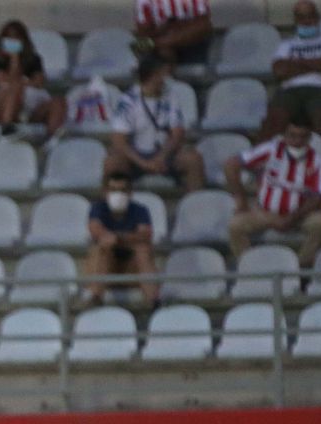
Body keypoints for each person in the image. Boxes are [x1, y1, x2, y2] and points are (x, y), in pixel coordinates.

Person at [224, 119, 321, 267]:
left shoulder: (316, 160)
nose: (297, 141)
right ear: (284, 136)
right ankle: (250, 267)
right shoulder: (270, 150)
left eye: (302, 136)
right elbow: (231, 164)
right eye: (293, 136)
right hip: (265, 212)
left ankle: (300, 268)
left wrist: (291, 218)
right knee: (235, 226)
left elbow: (316, 197)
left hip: (300, 215)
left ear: (309, 138)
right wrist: (240, 198)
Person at [107, 55, 203, 192]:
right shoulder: (128, 100)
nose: (167, 79)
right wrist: (144, 163)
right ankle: (108, 203)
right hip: (136, 157)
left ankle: (196, 202)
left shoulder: (170, 96)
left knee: (192, 159)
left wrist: (161, 157)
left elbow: (177, 134)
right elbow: (119, 140)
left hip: (165, 155)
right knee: (112, 163)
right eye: (163, 74)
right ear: (153, 76)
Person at [259, 1, 321, 145]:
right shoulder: (286, 44)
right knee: (273, 121)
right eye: (301, 17)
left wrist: (295, 63)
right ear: (296, 20)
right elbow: (279, 71)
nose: (306, 21)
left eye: (310, 16)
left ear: (317, 18)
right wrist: (317, 63)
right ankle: (263, 154)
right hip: (290, 90)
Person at [82, 172, 159, 307]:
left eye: (122, 190)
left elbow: (145, 234)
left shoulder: (140, 210)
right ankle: (95, 298)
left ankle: (154, 301)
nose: (118, 194)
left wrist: (118, 237)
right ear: (106, 192)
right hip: (107, 266)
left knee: (142, 249)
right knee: (103, 247)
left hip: (132, 267)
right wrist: (122, 238)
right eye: (113, 190)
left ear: (130, 193)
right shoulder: (98, 208)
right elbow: (95, 230)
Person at [0, 20, 65, 136]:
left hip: (30, 109)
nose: (12, 40)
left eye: (16, 37)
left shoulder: (34, 59)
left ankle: (52, 140)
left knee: (58, 102)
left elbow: (39, 82)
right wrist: (14, 59)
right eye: (9, 37)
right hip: (2, 107)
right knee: (14, 89)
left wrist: (21, 82)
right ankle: (7, 129)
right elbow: (1, 81)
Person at [133, 0, 213, 67]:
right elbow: (143, 31)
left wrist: (163, 39)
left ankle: (157, 44)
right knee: (162, 51)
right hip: (161, 42)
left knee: (201, 27)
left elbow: (203, 23)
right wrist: (165, 29)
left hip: (191, 44)